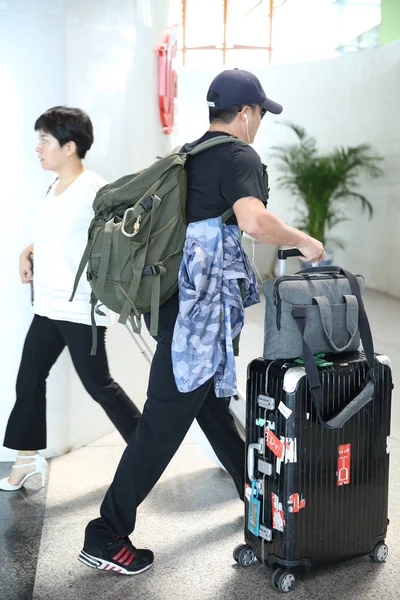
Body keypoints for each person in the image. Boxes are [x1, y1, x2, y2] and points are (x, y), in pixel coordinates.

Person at [78, 69, 326, 576]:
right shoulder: (239, 155)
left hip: (175, 305)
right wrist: (304, 240)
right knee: (160, 427)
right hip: (198, 321)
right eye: (259, 114)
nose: (259, 123)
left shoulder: (191, 152)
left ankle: (254, 493)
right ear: (246, 113)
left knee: (211, 405)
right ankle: (106, 534)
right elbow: (254, 221)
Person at [0, 106, 141, 492]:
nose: (38, 148)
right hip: (48, 304)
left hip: (80, 309)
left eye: (45, 140)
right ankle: (26, 460)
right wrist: (27, 251)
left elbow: (115, 244)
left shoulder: (95, 190)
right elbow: (58, 236)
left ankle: (148, 451)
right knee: (29, 379)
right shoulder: (54, 188)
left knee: (100, 386)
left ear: (69, 146)